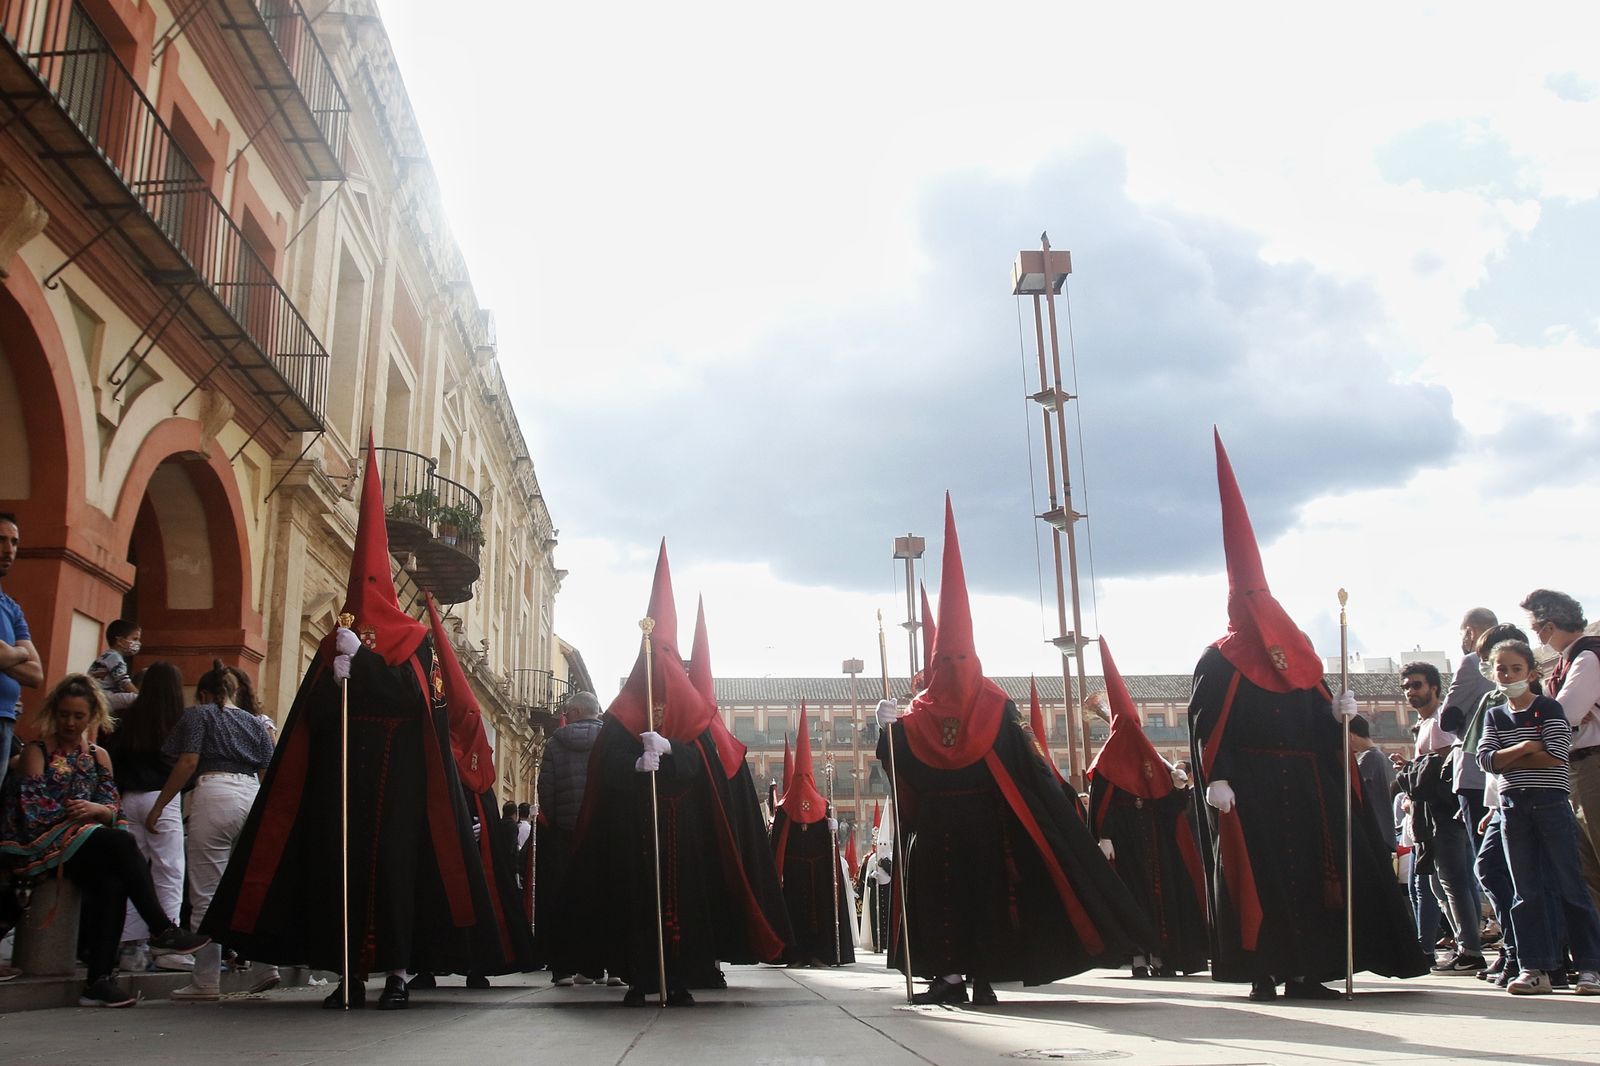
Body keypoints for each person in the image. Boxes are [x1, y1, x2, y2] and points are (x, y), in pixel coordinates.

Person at [199, 440, 495, 1010]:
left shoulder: (414, 644)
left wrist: (360, 667)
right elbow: (309, 718)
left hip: (401, 789)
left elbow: (419, 706)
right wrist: (334, 677)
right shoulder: (338, 640)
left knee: (395, 877)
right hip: (344, 788)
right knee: (340, 875)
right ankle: (350, 973)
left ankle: (400, 974)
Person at [875, 496, 1151, 1005]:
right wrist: (884, 730)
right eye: (948, 659)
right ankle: (951, 976)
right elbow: (898, 767)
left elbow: (1029, 767)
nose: (955, 667)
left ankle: (983, 976)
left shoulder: (997, 707)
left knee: (989, 901)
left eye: (962, 657)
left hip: (985, 826)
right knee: (939, 899)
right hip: (936, 827)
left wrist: (1059, 801)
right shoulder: (915, 715)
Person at [1189, 432, 1427, 1000]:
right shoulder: (1218, 660)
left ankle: (1308, 969)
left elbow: (1320, 713)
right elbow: (1206, 724)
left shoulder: (1300, 654)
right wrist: (1215, 775)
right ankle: (1264, 971)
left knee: (1312, 878)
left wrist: (1338, 713)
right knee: (1262, 878)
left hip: (1307, 784)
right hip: (1250, 785)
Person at [555, 541, 791, 1005]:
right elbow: (607, 766)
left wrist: (674, 753)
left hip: (685, 834)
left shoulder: (694, 709)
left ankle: (681, 976)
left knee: (686, 903)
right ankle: (640, 977)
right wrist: (634, 763)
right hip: (632, 832)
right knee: (633, 902)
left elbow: (706, 764)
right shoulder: (622, 712)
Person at [0, 674, 208, 1006]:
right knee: (121, 845)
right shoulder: (37, 751)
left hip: (83, 845)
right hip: (40, 842)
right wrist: (92, 816)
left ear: (92, 716)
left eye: (78, 716)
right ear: (55, 713)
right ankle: (161, 928)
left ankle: (99, 980)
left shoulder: (99, 756)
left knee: (113, 880)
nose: (70, 722)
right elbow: (32, 809)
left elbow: (113, 808)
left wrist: (99, 810)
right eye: (65, 714)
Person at [144, 660, 277, 1000]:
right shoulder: (255, 723)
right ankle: (266, 965)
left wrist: (160, 805)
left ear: (203, 693)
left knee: (206, 891)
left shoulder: (198, 715)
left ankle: (205, 980)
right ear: (234, 692)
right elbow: (268, 771)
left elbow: (187, 761)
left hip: (215, 794)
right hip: (252, 794)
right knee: (251, 884)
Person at [1475, 639, 1600, 995]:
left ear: (1531, 673)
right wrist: (1527, 747)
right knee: (1525, 891)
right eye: (1502, 669)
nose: (1508, 675)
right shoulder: (1495, 715)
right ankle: (1534, 967)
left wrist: (1508, 757)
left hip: (1551, 803)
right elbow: (1486, 759)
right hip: (1514, 806)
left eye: (1516, 669)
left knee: (1570, 884)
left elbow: (1556, 755)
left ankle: (1590, 966)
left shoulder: (1549, 709)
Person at [1087, 637, 1209, 980]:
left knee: (1164, 899)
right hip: (1124, 843)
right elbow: (1102, 803)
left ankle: (1162, 955)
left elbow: (1168, 805)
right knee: (1133, 899)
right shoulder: (1107, 762)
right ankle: (1139, 958)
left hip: (1157, 842)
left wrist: (1178, 789)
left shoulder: (1153, 761)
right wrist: (1105, 835)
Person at [95, 661, 186, 973]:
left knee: (134, 873)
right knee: (169, 871)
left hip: (129, 797)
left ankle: (131, 947)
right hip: (163, 797)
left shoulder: (129, 718)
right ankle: (169, 944)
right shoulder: (180, 720)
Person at [1397, 661, 1485, 973]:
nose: (1411, 692)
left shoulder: (1439, 723)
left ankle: (1471, 949)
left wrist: (1413, 771)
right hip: (1433, 813)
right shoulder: (1424, 725)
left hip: (1444, 813)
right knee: (1442, 884)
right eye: (1406, 686)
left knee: (1452, 881)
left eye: (1417, 685)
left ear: (1434, 687)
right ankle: (1468, 945)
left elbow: (1449, 761)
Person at [1521, 589, 1600, 918]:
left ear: (1549, 626)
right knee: (1588, 870)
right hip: (1577, 767)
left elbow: (1562, 715)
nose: (1537, 638)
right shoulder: (1572, 659)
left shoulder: (1587, 657)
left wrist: (1550, 716)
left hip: (1592, 765)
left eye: (1536, 630)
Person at [770, 704, 853, 967]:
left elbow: (832, 847)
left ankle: (821, 953)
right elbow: (776, 845)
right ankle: (795, 954)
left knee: (821, 913)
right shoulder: (784, 809)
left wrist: (833, 830)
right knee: (795, 913)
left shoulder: (824, 806)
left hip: (819, 872)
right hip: (794, 873)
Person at [538, 689, 605, 986]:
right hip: (602, 829)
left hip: (566, 831)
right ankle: (609, 966)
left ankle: (564, 967)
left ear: (576, 712)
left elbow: (546, 790)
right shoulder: (610, 740)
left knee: (565, 896)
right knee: (604, 895)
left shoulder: (555, 743)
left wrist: (556, 822)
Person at [0, 513, 43, 798]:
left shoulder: (11, 607)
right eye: (1, 540)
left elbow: (37, 674)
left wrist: (8, 653)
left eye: (14, 542)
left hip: (5, 720)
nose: (9, 549)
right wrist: (19, 653)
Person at [1347, 714, 1396, 852]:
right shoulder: (1377, 755)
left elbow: (1353, 785)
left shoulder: (1369, 757)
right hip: (1382, 830)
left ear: (1350, 736)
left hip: (1376, 829)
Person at [89, 619, 140, 703]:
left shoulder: (108, 655)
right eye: (135, 639)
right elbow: (124, 682)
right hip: (102, 696)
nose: (138, 643)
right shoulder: (114, 657)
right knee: (135, 698)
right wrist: (141, 695)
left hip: (96, 694)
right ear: (119, 641)